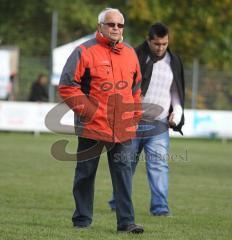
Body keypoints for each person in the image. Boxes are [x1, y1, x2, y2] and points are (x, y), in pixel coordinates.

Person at [58, 8, 144, 233]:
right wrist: (89, 113)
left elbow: (136, 89)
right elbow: (67, 86)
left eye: (120, 25)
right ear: (100, 26)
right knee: (85, 174)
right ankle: (82, 220)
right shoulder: (83, 51)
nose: (116, 28)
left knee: (124, 175)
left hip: (123, 128)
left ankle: (126, 223)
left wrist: (134, 116)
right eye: (111, 24)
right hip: (92, 127)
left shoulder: (130, 54)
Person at [108, 22, 185, 216]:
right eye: (157, 44)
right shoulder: (134, 56)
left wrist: (177, 110)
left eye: (164, 44)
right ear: (148, 40)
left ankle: (160, 208)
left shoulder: (174, 61)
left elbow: (176, 90)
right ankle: (118, 202)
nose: (161, 48)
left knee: (159, 165)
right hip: (133, 121)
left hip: (159, 124)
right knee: (126, 164)